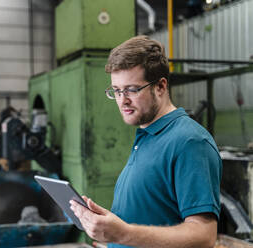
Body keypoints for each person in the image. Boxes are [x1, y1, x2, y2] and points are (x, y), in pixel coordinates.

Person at [69, 36, 222, 248]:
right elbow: (149, 214)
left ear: (160, 86)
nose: (123, 100)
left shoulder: (190, 141)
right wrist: (108, 227)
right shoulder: (147, 135)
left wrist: (123, 234)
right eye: (117, 90)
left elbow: (204, 235)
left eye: (132, 89)